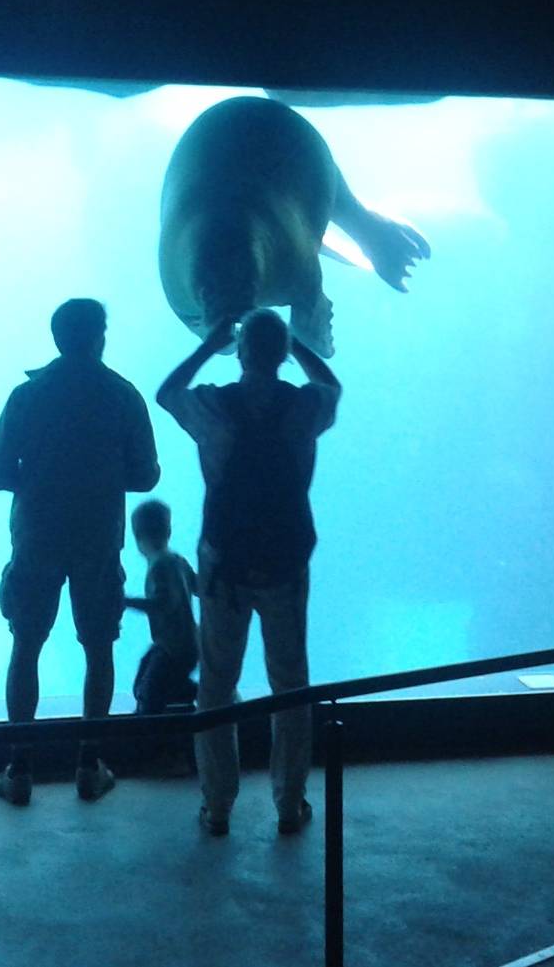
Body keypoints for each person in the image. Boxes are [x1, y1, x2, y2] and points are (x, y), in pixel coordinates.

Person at [157, 309, 340, 837]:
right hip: (286, 563)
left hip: (224, 569)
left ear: (240, 353)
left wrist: (207, 344)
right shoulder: (305, 406)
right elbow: (333, 385)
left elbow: (168, 392)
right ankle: (289, 803)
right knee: (290, 684)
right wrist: (299, 343)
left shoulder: (213, 404)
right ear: (282, 355)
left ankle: (217, 805)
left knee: (216, 686)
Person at [0, 299, 160, 805]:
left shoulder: (27, 396)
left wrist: (38, 482)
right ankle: (89, 764)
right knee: (99, 646)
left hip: (37, 534)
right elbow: (146, 474)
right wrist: (101, 478)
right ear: (99, 337)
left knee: (27, 644)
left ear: (57, 337)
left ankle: (19, 769)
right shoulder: (122, 396)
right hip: (97, 537)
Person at [124, 499, 199, 715]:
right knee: (145, 679)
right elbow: (198, 586)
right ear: (168, 531)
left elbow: (163, 604)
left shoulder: (159, 566)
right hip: (185, 644)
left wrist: (126, 601)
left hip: (173, 649)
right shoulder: (177, 560)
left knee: (148, 693)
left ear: (137, 537)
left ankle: (148, 734)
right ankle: (198, 695)